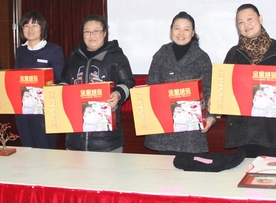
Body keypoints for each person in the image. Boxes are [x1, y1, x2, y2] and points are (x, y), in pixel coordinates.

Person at [224, 4, 276, 158]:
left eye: (249, 19)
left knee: (267, 170)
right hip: (242, 128)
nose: (246, 25)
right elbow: (224, 88)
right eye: (240, 22)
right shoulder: (234, 54)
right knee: (245, 169)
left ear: (260, 18)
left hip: (269, 128)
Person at [145, 11, 217, 154]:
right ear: (171, 30)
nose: (181, 33)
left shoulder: (202, 58)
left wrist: (211, 117)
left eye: (186, 29)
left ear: (193, 33)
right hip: (164, 131)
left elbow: (209, 91)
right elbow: (151, 87)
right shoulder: (161, 55)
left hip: (191, 133)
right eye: (177, 28)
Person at [62, 14, 135, 152]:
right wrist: (59, 92)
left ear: (105, 33)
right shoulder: (73, 57)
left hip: (107, 140)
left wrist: (118, 94)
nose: (92, 36)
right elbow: (63, 81)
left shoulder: (116, 56)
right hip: (75, 138)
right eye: (87, 32)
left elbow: (128, 82)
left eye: (96, 31)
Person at [14, 11, 65, 148]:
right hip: (23, 109)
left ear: (42, 28)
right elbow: (15, 77)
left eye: (34, 25)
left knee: (45, 149)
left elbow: (59, 78)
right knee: (27, 148)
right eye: (26, 26)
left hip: (44, 111)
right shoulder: (20, 51)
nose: (30, 29)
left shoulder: (53, 50)